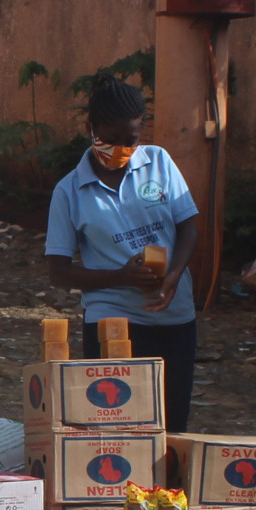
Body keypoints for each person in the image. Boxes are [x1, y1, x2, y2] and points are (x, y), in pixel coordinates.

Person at [41, 74, 201, 431]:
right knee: (115, 426)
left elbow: (189, 227)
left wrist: (173, 277)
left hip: (174, 315)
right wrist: (122, 277)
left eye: (131, 140)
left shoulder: (159, 162)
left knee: (172, 422)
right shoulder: (70, 191)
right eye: (111, 140)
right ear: (90, 128)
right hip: (112, 319)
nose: (121, 149)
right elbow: (59, 271)